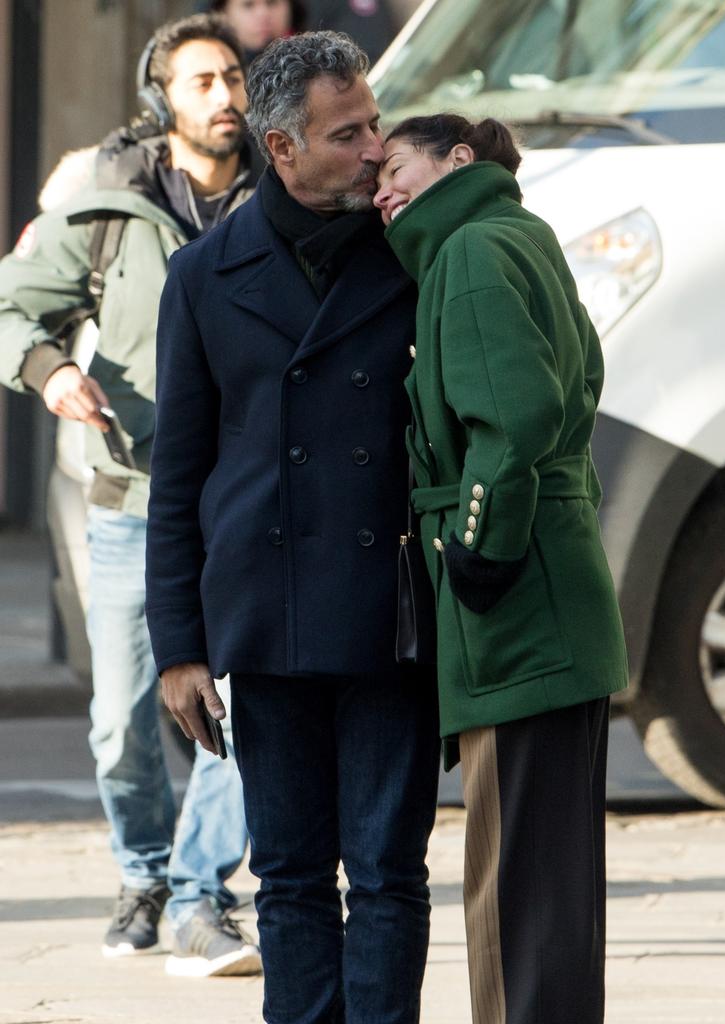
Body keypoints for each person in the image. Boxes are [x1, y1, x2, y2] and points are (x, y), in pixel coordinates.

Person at [145, 30, 441, 1024]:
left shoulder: (414, 252)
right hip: (266, 622)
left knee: (391, 874)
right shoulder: (202, 275)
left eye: (374, 123)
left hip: (389, 618)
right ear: (281, 147)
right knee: (293, 878)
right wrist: (179, 647)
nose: (373, 147)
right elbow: (179, 471)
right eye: (346, 132)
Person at [0, 13, 263, 978]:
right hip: (131, 498)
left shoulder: (285, 194)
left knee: (247, 706)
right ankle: (145, 873)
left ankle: (202, 892)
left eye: (233, 76)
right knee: (122, 723)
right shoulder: (110, 200)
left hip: (247, 501)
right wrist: (45, 372)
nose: (224, 95)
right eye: (201, 81)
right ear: (162, 99)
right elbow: (12, 300)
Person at [373, 114, 629, 1024]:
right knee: (545, 889)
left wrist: (481, 544)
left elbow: (514, 416)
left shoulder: (472, 251)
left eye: (396, 166)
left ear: (459, 160)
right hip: (555, 598)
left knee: (516, 887)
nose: (382, 190)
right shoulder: (515, 235)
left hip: (521, 606)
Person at [209, 0, 307, 63]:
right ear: (223, 12)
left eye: (272, 2)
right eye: (248, 5)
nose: (263, 14)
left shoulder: (313, 61)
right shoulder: (210, 63)